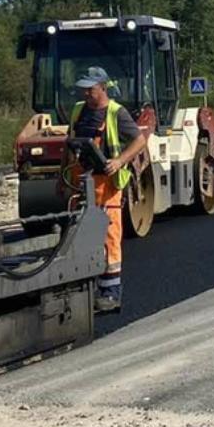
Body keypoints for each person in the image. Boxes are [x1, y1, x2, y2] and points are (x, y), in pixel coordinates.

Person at [69, 66, 148, 314]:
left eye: (90, 90)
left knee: (109, 238)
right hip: (81, 183)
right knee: (81, 237)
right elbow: (68, 145)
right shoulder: (78, 112)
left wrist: (119, 161)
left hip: (108, 186)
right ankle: (87, 289)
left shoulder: (116, 113)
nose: (86, 94)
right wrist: (62, 179)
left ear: (102, 87)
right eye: (83, 90)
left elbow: (140, 140)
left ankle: (111, 292)